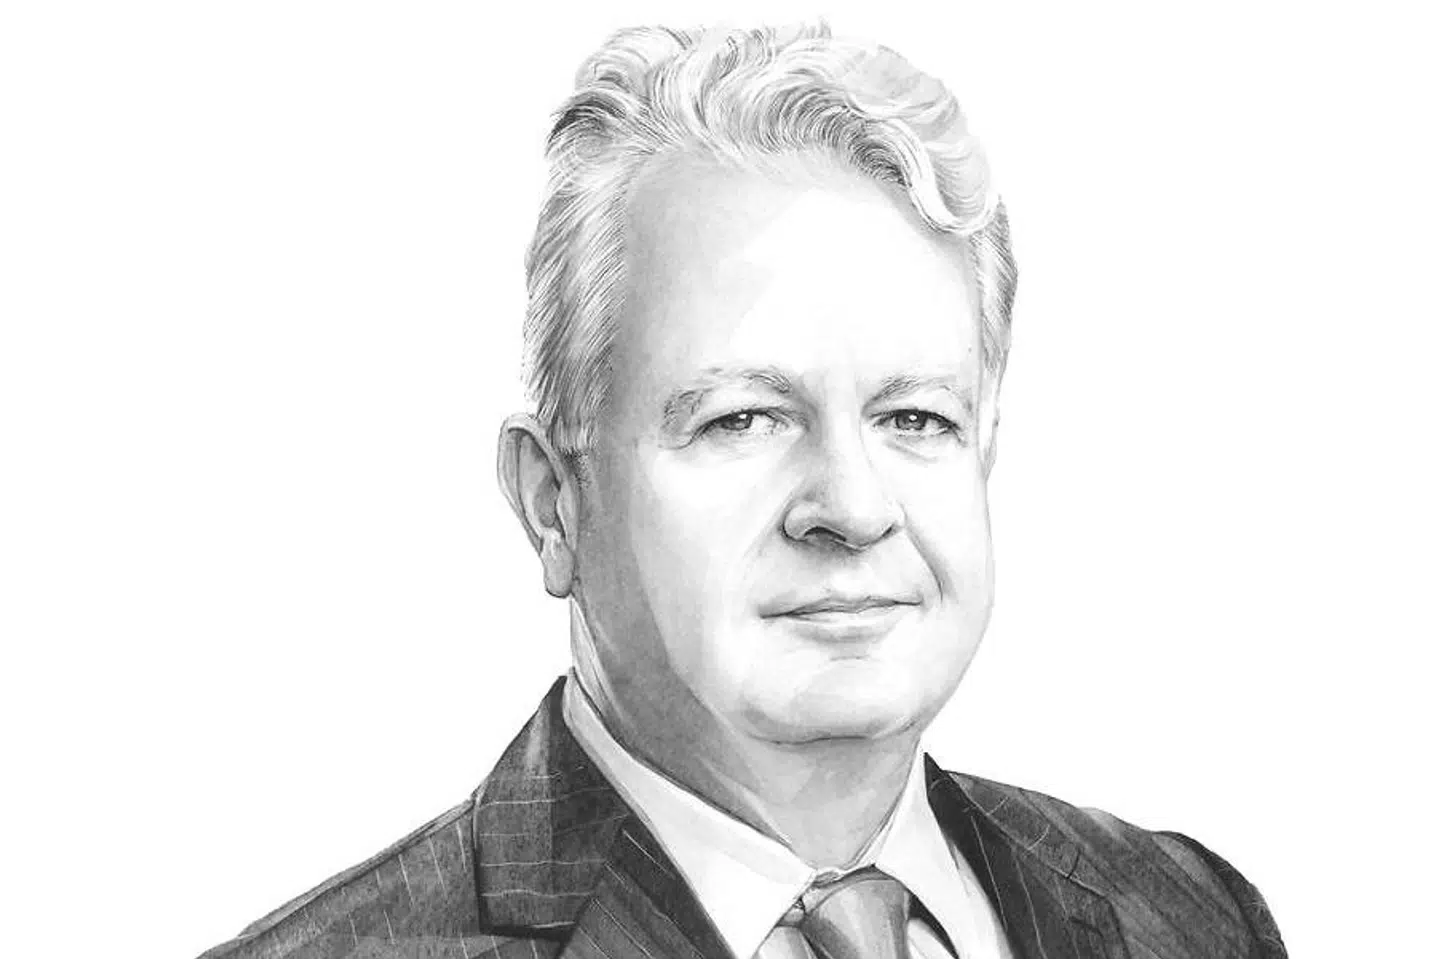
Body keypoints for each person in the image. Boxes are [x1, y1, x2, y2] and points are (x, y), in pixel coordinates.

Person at [200, 22, 1286, 959]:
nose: (853, 509)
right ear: (552, 501)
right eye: (742, 419)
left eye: (916, 418)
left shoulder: (1192, 916)